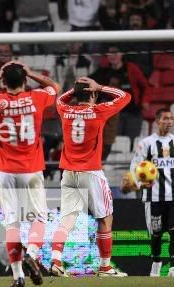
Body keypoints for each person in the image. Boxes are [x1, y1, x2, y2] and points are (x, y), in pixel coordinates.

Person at [0, 61, 61, 287]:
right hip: (31, 169)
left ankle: (18, 276)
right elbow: (55, 86)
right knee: (39, 218)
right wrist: (31, 71)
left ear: (4, 81)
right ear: (25, 81)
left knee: (12, 223)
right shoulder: (36, 97)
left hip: (6, 172)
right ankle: (31, 252)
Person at [50, 77, 130, 277]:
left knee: (67, 219)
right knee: (105, 218)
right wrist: (100, 87)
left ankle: (56, 260)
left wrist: (76, 90)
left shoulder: (64, 109)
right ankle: (104, 267)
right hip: (91, 172)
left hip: (68, 173)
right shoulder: (99, 111)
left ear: (76, 95)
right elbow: (125, 96)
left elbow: (60, 99)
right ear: (93, 93)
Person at [129, 109, 174, 277]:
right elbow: (134, 167)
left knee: (173, 231)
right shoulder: (146, 143)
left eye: (171, 118)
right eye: (165, 118)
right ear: (157, 121)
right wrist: (140, 182)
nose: (168, 121)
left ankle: (172, 267)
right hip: (153, 197)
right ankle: (156, 262)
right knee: (155, 233)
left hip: (173, 197)